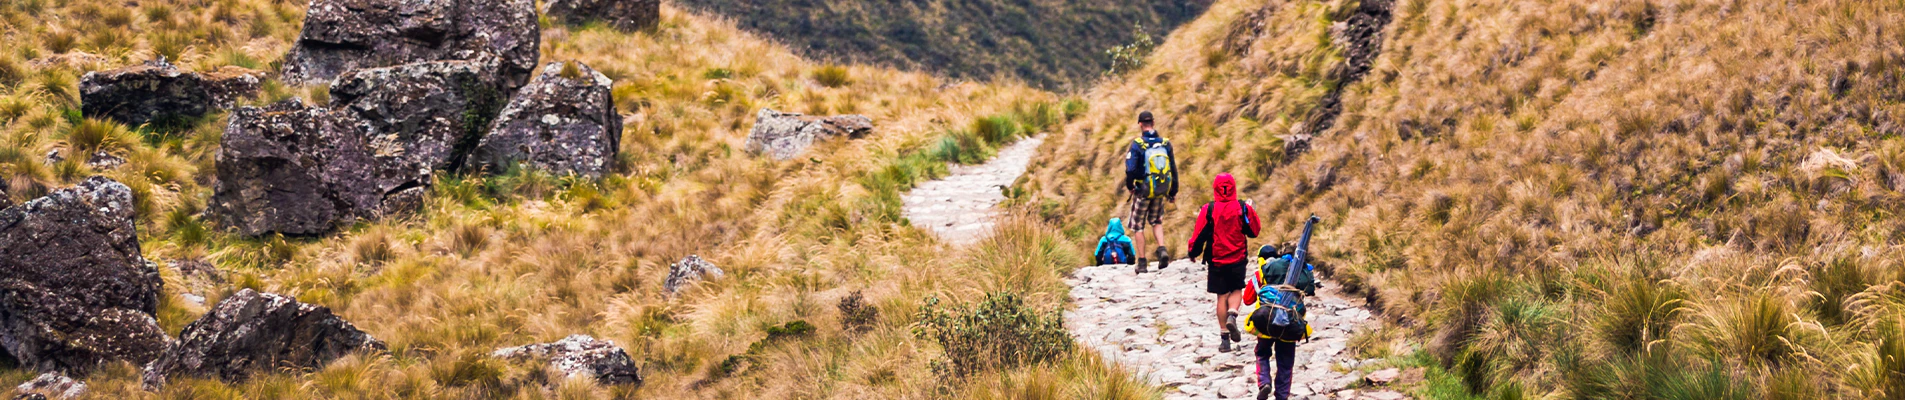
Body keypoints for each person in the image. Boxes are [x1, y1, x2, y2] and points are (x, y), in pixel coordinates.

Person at [1185, 173, 1260, 352]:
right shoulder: (1242, 207)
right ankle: (1233, 314)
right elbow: (1254, 231)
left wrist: (1193, 252)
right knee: (1236, 290)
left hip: (1217, 260)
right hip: (1238, 257)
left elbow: (1199, 235)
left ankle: (1224, 339)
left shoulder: (1208, 209)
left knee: (1221, 296)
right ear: (1233, 187)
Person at [1243, 243, 1319, 400]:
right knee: (1285, 363)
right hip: (1290, 323)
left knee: (1262, 353)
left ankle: (1264, 382)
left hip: (1266, 321)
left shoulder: (1265, 270)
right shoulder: (1301, 273)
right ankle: (1282, 396)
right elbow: (1310, 290)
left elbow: (1247, 299)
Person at [1123, 111, 1178, 273]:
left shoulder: (1138, 144)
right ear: (1153, 122)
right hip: (1160, 190)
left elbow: (1130, 169)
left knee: (1138, 226)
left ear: (1140, 124)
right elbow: (1173, 169)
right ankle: (1162, 249)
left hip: (1142, 191)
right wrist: (1172, 191)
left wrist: (1130, 186)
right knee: (1156, 221)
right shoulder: (1165, 143)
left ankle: (1141, 262)